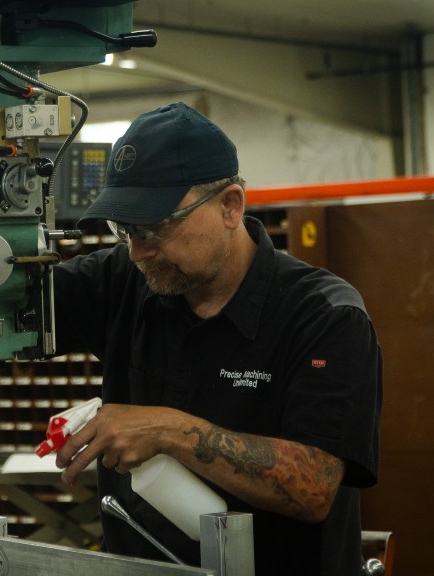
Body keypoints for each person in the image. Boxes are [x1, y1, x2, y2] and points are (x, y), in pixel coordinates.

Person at [51, 102, 383, 575]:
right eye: (123, 229)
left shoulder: (325, 316)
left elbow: (313, 486)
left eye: (156, 226)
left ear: (230, 206)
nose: (137, 250)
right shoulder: (126, 279)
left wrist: (168, 430)